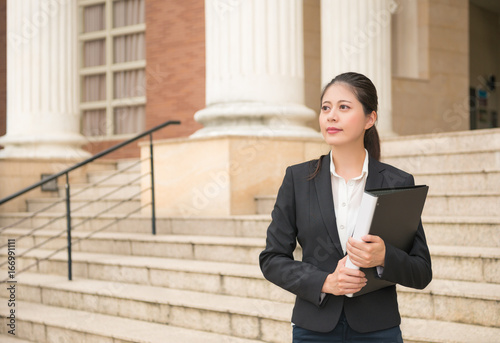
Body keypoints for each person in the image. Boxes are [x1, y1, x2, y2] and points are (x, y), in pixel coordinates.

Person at [259, 72, 432, 342]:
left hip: (378, 330)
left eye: (344, 107)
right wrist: (325, 282)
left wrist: (385, 257)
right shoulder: (298, 179)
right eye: (326, 108)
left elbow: (421, 271)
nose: (331, 116)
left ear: (370, 118)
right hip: (314, 329)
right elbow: (272, 259)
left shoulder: (397, 182)